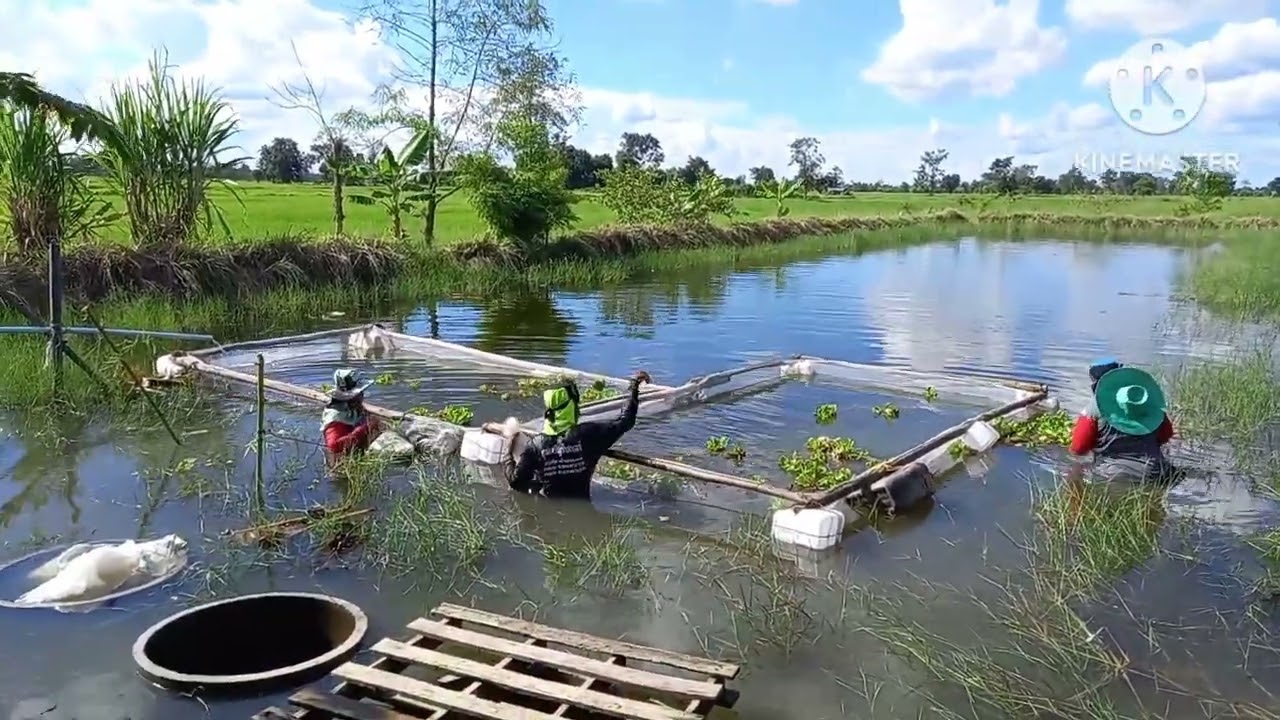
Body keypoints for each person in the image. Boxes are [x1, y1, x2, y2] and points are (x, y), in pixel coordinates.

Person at [508, 370, 652, 499]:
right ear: (573, 406)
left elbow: (516, 483)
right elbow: (625, 421)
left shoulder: (535, 445)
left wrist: (509, 446)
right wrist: (634, 387)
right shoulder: (589, 434)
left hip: (546, 513)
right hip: (581, 500)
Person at [1068, 358, 1176, 481]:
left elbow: (1078, 448)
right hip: (1159, 471)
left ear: (1095, 382)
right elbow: (1166, 435)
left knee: (1075, 471)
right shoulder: (1149, 402)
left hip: (1115, 474)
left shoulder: (1093, 409)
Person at [322, 368, 381, 457]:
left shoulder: (353, 407)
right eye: (359, 393)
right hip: (342, 460)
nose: (362, 395)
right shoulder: (336, 416)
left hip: (357, 451)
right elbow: (334, 446)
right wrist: (366, 428)